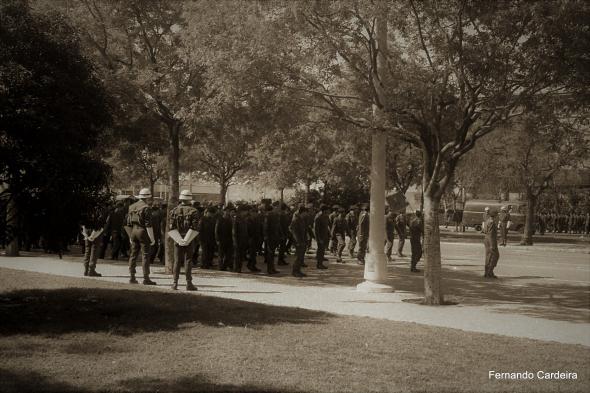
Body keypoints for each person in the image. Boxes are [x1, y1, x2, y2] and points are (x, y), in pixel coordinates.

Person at [169, 190, 199, 291]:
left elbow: (171, 227)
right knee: (188, 260)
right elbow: (195, 227)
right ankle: (189, 283)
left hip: (177, 237)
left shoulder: (174, 211)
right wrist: (186, 240)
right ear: (190, 199)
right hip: (189, 237)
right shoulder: (194, 211)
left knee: (177, 261)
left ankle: (175, 283)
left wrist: (179, 239)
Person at [126, 188, 156, 285]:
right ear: (148, 198)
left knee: (133, 254)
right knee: (145, 255)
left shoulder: (131, 206)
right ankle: (146, 278)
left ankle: (132, 276)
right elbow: (148, 225)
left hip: (134, 231)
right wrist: (152, 238)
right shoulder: (146, 208)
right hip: (143, 231)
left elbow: (128, 223)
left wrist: (130, 236)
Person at [81, 202, 109, 277]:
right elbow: (100, 223)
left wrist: (84, 231)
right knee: (94, 250)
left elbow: (82, 221)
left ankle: (86, 269)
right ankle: (91, 269)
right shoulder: (102, 209)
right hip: (96, 229)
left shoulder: (87, 207)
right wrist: (93, 235)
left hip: (87, 229)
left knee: (87, 250)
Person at [289, 204, 308, 277]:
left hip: (301, 240)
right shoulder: (296, 219)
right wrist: (297, 241)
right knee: (298, 257)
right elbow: (292, 230)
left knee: (301, 257)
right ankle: (295, 271)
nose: (306, 214)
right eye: (305, 212)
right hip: (298, 241)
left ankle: (298, 270)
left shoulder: (300, 219)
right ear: (302, 212)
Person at [263, 203, 281, 274]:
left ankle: (272, 268)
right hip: (270, 237)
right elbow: (266, 227)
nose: (277, 209)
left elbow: (277, 227)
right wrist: (266, 236)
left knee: (272, 253)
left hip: (273, 237)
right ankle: (270, 269)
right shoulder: (269, 215)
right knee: (270, 254)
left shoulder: (274, 216)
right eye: (275, 207)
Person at [215, 204, 234, 271]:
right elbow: (217, 231)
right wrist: (217, 240)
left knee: (228, 254)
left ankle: (225, 266)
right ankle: (220, 267)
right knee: (221, 254)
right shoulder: (220, 220)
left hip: (229, 240)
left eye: (228, 211)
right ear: (223, 212)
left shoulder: (230, 220)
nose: (227, 212)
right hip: (221, 240)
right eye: (226, 211)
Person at [232, 204, 250, 273]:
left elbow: (246, 231)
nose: (246, 213)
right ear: (242, 211)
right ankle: (236, 268)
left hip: (243, 240)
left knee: (241, 255)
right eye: (245, 211)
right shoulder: (236, 219)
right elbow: (234, 232)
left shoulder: (244, 219)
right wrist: (235, 242)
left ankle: (239, 268)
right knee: (237, 256)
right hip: (238, 240)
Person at [483, 208, 500, 278]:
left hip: (486, 240)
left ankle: (487, 272)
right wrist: (492, 245)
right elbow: (491, 234)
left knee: (488, 256)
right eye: (497, 214)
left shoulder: (487, 221)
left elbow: (485, 231)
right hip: (491, 241)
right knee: (495, 256)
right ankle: (489, 272)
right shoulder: (492, 222)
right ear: (495, 215)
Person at [313, 204, 330, 269]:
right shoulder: (318, 217)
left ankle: (320, 262)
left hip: (324, 236)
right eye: (327, 210)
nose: (328, 211)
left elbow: (326, 226)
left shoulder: (325, 216)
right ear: (324, 210)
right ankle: (319, 264)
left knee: (322, 250)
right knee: (320, 250)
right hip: (320, 237)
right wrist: (318, 239)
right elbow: (316, 229)